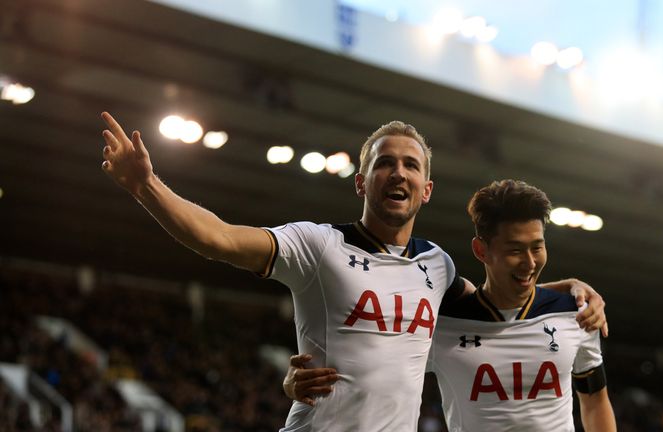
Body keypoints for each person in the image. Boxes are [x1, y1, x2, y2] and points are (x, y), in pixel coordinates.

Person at [99, 112, 606, 431]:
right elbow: (219, 238)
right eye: (386, 163)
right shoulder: (319, 245)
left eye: (412, 165)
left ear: (426, 190)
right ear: (361, 182)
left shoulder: (438, 267)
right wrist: (147, 186)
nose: (399, 172)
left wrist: (569, 290)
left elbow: (499, 303)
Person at [286, 180, 615, 431]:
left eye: (537, 247)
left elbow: (595, 398)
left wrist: (572, 285)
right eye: (515, 250)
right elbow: (368, 368)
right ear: (481, 250)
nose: (529, 262)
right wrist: (294, 381)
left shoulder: (575, 312)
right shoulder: (440, 324)